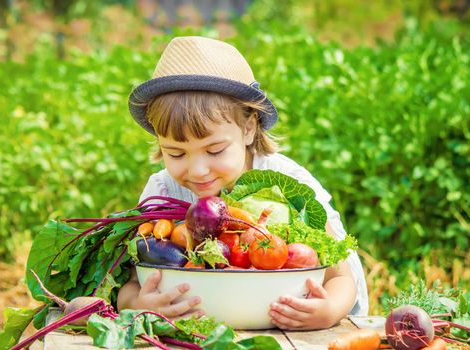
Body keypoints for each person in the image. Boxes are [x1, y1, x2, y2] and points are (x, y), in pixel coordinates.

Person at [116, 36, 368, 330]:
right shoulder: (161, 193)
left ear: (248, 129)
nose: (198, 170)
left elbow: (340, 277)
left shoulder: (285, 183)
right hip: (201, 330)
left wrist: (329, 310)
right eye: (176, 153)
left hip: (290, 328)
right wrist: (136, 304)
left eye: (214, 150)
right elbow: (132, 284)